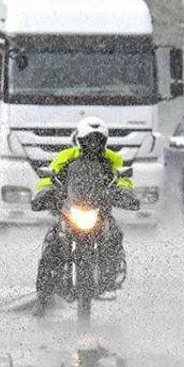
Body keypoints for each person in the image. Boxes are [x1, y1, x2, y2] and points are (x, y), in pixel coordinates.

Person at [31, 117, 137, 315]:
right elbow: (48, 177)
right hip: (71, 209)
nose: (93, 144)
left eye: (98, 140)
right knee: (53, 242)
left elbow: (123, 180)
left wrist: (126, 194)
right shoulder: (66, 156)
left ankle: (109, 273)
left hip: (100, 211)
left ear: (104, 141)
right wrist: (44, 193)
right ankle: (43, 297)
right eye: (89, 139)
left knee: (114, 235)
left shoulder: (113, 159)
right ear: (79, 140)